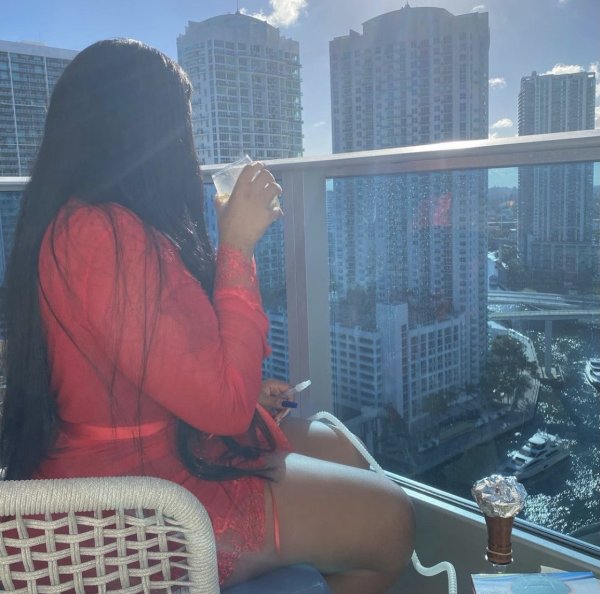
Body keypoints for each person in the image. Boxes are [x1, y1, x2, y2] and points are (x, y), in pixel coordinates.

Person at [0, 39, 414, 593]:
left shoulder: (97, 225)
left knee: (339, 449)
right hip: (135, 500)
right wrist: (237, 246)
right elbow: (222, 407)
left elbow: (159, 361)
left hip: (160, 449)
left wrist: (245, 390)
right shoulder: (101, 234)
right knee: (391, 522)